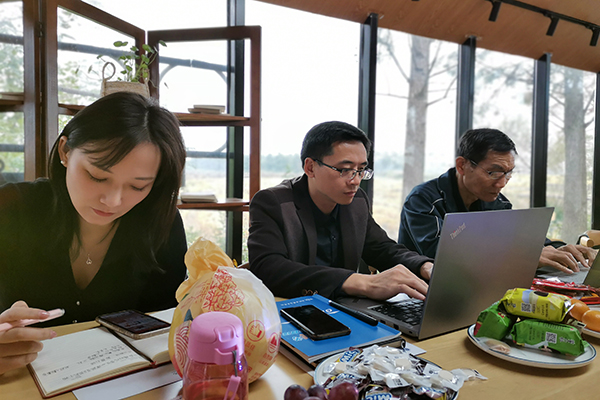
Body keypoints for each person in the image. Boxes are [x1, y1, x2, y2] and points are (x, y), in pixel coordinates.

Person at [0, 92, 188, 375]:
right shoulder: (12, 209)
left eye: (137, 186)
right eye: (97, 176)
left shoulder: (162, 224)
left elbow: (166, 326)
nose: (113, 201)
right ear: (65, 151)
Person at [248, 121, 433, 302]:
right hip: (290, 309)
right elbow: (269, 268)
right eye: (345, 170)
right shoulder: (273, 202)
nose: (356, 181)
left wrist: (424, 266)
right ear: (310, 167)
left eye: (361, 170)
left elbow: (382, 248)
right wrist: (360, 282)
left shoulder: (356, 200)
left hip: (343, 308)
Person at [398, 128, 596, 274]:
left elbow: (522, 239)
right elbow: (443, 256)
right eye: (493, 172)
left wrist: (561, 249)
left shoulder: (496, 202)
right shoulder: (423, 200)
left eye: (508, 174)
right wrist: (524, 257)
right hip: (420, 293)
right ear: (462, 166)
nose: (501, 184)